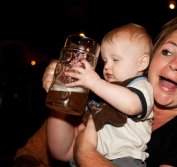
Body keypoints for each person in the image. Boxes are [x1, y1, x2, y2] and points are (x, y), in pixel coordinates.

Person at [42, 9, 177, 167]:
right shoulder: (107, 97)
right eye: (167, 52)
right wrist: (60, 95)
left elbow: (80, 148)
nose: (174, 64)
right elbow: (62, 151)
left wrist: (85, 152)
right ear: (150, 59)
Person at [45, 23, 154, 167]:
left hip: (124, 160)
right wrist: (60, 96)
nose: (107, 66)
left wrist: (95, 82)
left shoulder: (141, 85)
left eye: (115, 60)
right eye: (105, 61)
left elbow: (132, 105)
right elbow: (62, 152)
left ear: (142, 63)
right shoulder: (101, 94)